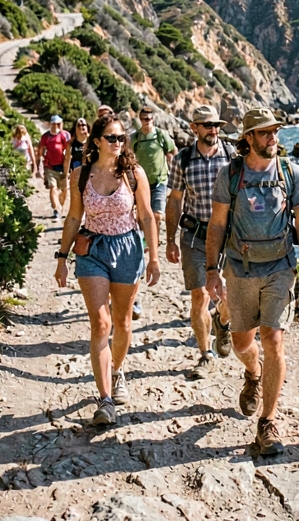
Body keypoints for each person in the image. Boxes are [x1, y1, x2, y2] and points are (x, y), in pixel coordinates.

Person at [204, 108, 299, 456]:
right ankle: (253, 373)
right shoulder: (231, 174)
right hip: (240, 269)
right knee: (242, 344)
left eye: (275, 132)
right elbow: (218, 223)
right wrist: (211, 268)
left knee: (274, 339)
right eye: (265, 133)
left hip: (280, 267)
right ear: (248, 138)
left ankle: (267, 422)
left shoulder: (291, 172)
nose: (273, 138)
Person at [54, 113, 161, 426]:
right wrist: (62, 257)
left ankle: (117, 371)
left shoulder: (133, 173)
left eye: (121, 138)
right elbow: (74, 218)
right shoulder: (80, 174)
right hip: (93, 251)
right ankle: (105, 400)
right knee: (101, 324)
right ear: (97, 141)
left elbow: (146, 216)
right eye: (111, 138)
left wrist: (153, 256)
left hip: (128, 248)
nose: (118, 143)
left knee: (122, 322)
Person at [165, 105, 236, 379]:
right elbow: (174, 201)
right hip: (195, 237)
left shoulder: (231, 157)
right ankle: (205, 353)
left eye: (216, 125)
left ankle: (223, 319)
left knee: (230, 296)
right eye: (207, 125)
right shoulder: (182, 160)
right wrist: (170, 240)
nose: (213, 130)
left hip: (228, 237)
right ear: (194, 127)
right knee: (199, 296)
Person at [131, 107, 177, 320]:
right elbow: (129, 157)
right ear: (140, 120)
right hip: (141, 182)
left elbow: (172, 151)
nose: (147, 121)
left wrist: (172, 169)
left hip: (159, 180)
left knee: (157, 215)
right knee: (142, 215)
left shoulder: (161, 135)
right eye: (144, 119)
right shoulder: (135, 138)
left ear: (153, 119)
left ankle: (153, 243)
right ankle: (146, 239)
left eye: (149, 118)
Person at [39, 115, 71, 220]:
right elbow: (40, 151)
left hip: (62, 167)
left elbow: (69, 150)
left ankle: (60, 206)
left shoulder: (65, 135)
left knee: (64, 190)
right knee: (53, 188)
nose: (55, 126)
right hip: (49, 166)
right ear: (50, 124)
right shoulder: (45, 137)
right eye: (54, 124)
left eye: (58, 124)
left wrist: (69, 166)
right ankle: (56, 209)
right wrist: (39, 164)